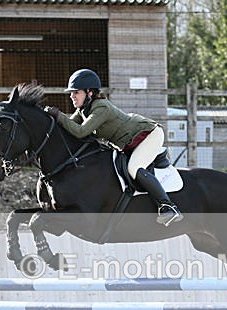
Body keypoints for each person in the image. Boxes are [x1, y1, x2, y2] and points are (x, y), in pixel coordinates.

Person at [44, 69, 183, 226]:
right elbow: (71, 126)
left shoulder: (101, 107)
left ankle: (168, 206)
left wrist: (58, 115)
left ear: (89, 93)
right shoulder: (83, 110)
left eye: (76, 92)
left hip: (147, 135)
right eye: (71, 93)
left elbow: (81, 131)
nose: (72, 96)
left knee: (134, 168)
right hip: (129, 142)